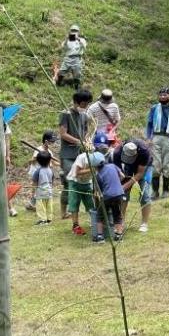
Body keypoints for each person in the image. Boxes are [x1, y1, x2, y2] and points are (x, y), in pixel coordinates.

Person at [59, 90, 94, 235]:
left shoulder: (84, 115)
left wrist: (86, 141)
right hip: (68, 155)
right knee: (71, 182)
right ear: (76, 102)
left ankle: (86, 215)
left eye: (87, 104)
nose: (85, 107)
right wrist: (78, 142)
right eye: (83, 104)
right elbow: (63, 133)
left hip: (81, 154)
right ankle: (66, 214)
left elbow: (86, 132)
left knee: (82, 182)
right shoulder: (65, 114)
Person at [145, 86, 169, 199]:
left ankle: (166, 191)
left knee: (168, 165)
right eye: (161, 95)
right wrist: (148, 138)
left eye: (165, 95)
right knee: (155, 165)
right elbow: (149, 124)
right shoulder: (154, 108)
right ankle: (155, 192)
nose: (162, 97)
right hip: (156, 138)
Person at [112, 140, 155, 233]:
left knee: (145, 195)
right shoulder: (117, 153)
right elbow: (117, 172)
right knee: (123, 195)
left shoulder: (144, 152)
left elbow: (140, 174)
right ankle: (121, 222)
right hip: (127, 167)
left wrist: (125, 185)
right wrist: (118, 186)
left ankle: (144, 223)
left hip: (145, 168)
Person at [66, 149, 104, 237]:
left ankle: (95, 222)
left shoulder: (99, 160)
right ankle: (75, 225)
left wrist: (96, 190)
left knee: (90, 204)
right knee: (74, 203)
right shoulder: (82, 157)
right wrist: (92, 170)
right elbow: (76, 173)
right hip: (74, 181)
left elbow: (96, 176)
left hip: (87, 182)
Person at [93, 155, 126, 243]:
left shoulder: (98, 175)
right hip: (119, 194)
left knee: (100, 215)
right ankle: (118, 235)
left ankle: (100, 236)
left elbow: (98, 192)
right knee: (117, 214)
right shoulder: (113, 166)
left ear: (95, 166)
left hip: (107, 196)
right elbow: (123, 176)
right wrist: (116, 183)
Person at [25, 130, 57, 212]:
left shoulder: (49, 152)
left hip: (44, 173)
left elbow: (52, 162)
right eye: (51, 142)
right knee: (37, 189)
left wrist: (59, 163)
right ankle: (32, 204)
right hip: (37, 172)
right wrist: (37, 157)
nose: (53, 144)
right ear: (46, 141)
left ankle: (31, 204)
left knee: (40, 189)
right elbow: (32, 161)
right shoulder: (38, 149)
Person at [55, 24, 87, 89]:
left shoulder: (82, 40)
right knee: (62, 71)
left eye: (75, 31)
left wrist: (78, 39)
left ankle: (76, 87)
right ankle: (58, 83)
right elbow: (63, 47)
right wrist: (67, 39)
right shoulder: (68, 40)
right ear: (70, 31)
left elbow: (84, 46)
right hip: (68, 58)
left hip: (77, 59)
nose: (74, 32)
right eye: (72, 30)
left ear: (78, 32)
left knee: (77, 74)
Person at [29, 151, 55, 225]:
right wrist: (51, 188)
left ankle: (43, 220)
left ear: (38, 161)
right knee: (49, 205)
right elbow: (52, 181)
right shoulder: (51, 171)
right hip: (49, 191)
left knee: (41, 206)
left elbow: (35, 183)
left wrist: (32, 192)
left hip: (40, 192)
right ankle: (49, 219)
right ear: (50, 160)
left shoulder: (37, 171)